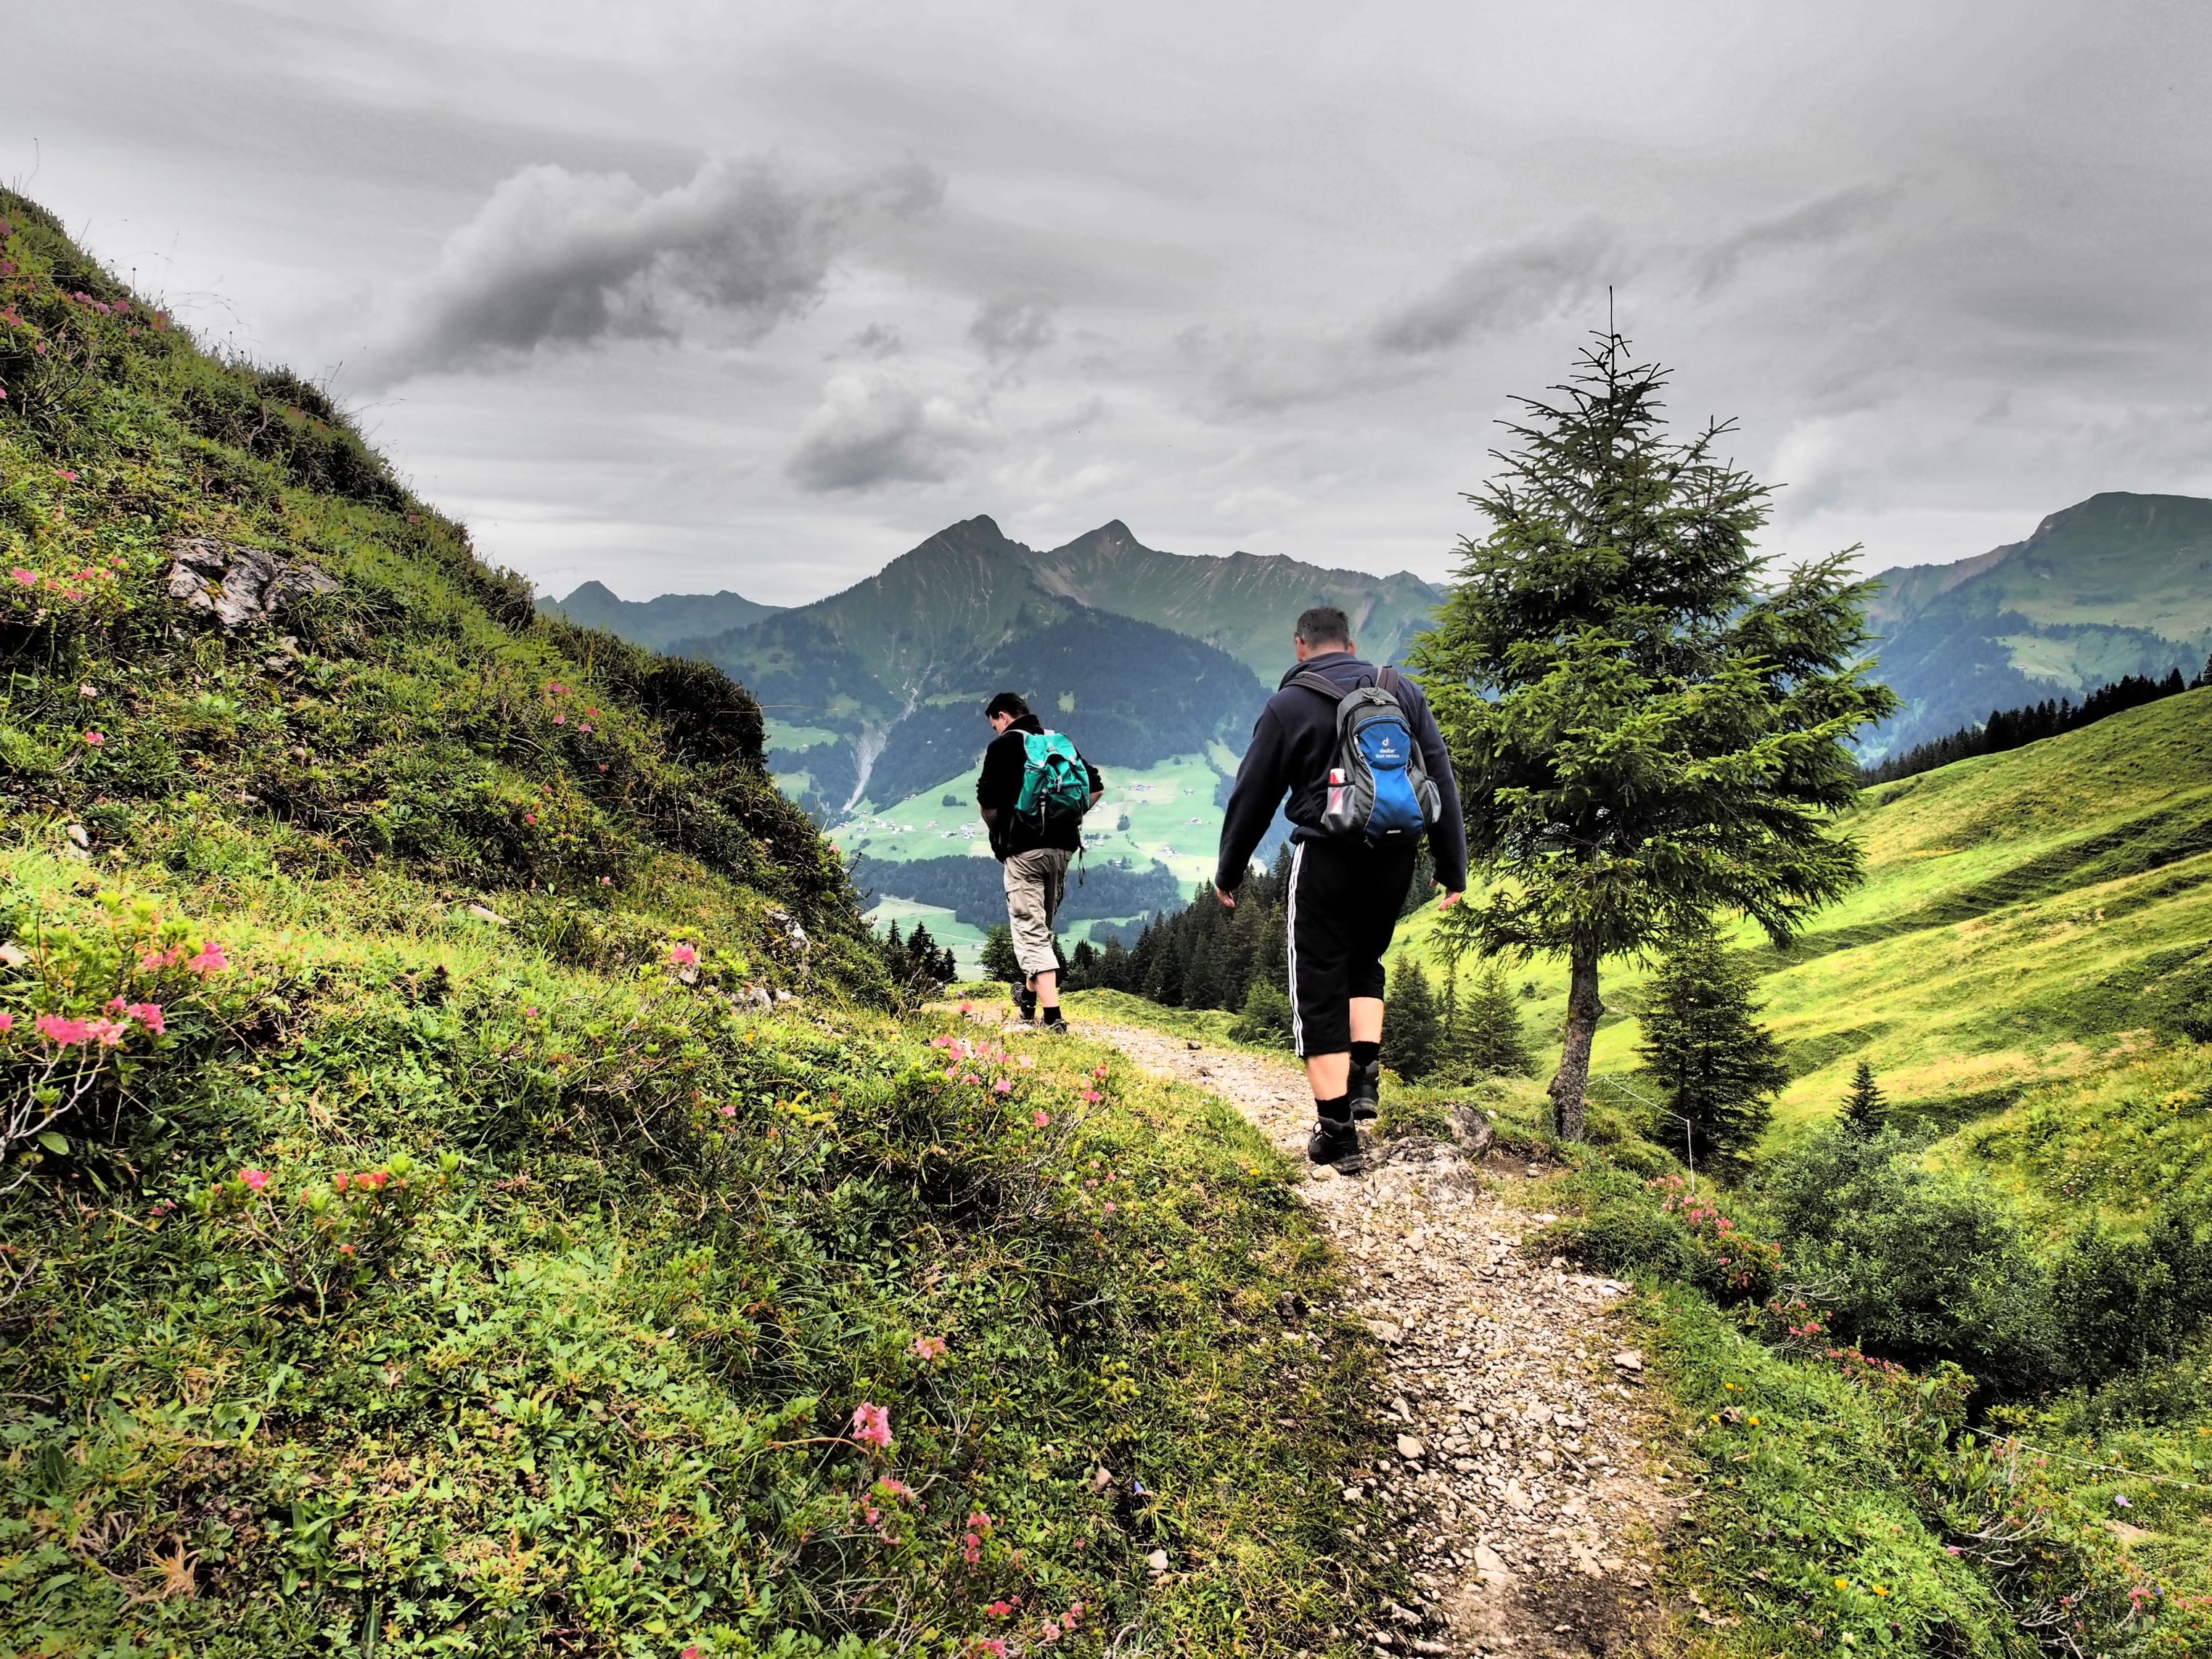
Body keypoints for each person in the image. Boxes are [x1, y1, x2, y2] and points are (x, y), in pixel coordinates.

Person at [1215, 606, 1467, 1162]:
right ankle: (1365, 1080)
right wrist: (1453, 867)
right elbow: (1440, 776)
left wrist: (1229, 870)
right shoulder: (1400, 690)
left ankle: (1336, 1134)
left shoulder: (1288, 704)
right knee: (1365, 962)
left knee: (1318, 979)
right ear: (1351, 644)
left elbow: (1252, 795)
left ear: (1300, 645)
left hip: (1327, 856)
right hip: (1396, 857)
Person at [975, 691, 1104, 1031]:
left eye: (994, 725)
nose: (996, 732)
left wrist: (1004, 833)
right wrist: (1065, 821)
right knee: (1041, 928)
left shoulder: (1002, 747)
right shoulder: (1058, 742)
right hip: (1062, 851)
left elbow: (987, 803)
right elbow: (1096, 788)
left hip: (1024, 851)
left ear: (1003, 716)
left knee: (1031, 931)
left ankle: (1054, 1019)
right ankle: (1028, 999)